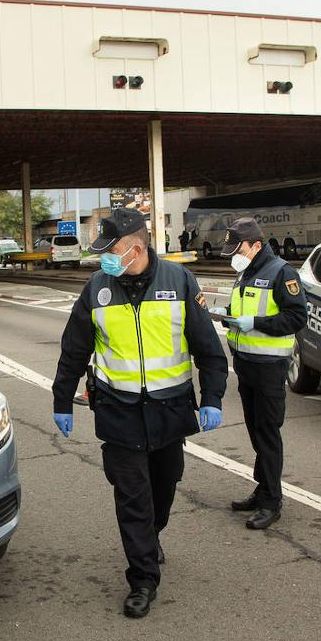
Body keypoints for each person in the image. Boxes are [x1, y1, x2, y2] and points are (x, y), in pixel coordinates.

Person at [51, 208, 228, 619]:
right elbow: (74, 350)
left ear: (135, 247)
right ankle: (142, 579)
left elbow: (208, 349)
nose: (103, 259)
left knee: (163, 490)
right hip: (119, 413)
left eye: (109, 250)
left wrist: (213, 398)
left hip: (169, 411)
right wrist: (62, 400)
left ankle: (152, 536)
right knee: (132, 498)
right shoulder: (96, 288)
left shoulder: (179, 281)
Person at [220, 217, 308, 530]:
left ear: (257, 245)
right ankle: (262, 490)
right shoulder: (246, 271)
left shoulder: (281, 272)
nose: (234, 254)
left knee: (268, 434)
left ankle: (272, 501)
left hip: (270, 368)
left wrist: (255, 324)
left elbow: (297, 317)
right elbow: (245, 310)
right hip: (246, 365)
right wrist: (230, 319)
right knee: (257, 431)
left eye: (238, 248)